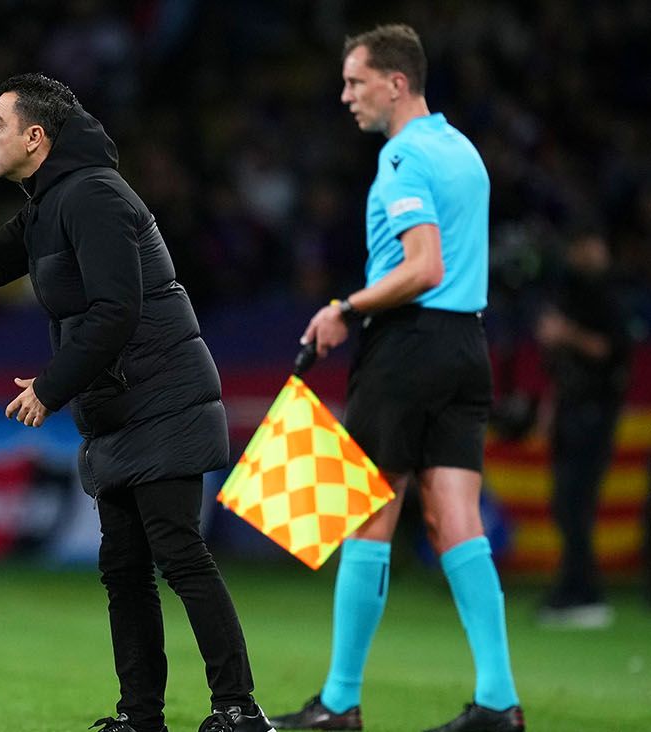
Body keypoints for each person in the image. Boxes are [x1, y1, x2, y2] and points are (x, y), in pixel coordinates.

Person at [0, 72, 273, 732]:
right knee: (124, 569)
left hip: (165, 398)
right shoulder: (53, 202)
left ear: (35, 137)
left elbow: (116, 310)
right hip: (122, 408)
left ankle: (238, 708)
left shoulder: (93, 196)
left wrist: (49, 387)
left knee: (178, 554)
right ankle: (140, 716)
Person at [267, 25, 524, 732]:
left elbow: (423, 267)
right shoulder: (463, 151)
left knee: (368, 516)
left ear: (396, 83)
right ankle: (499, 700)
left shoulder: (403, 158)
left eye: (355, 82)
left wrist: (342, 308)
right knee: (455, 518)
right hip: (467, 345)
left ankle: (340, 702)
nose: (345, 95)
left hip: (407, 347)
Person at [535, 228, 631, 628]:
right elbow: (560, 365)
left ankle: (587, 592)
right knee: (565, 503)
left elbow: (608, 350)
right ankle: (572, 587)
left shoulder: (610, 296)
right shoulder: (568, 291)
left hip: (597, 412)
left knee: (578, 504)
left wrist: (566, 334)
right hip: (571, 408)